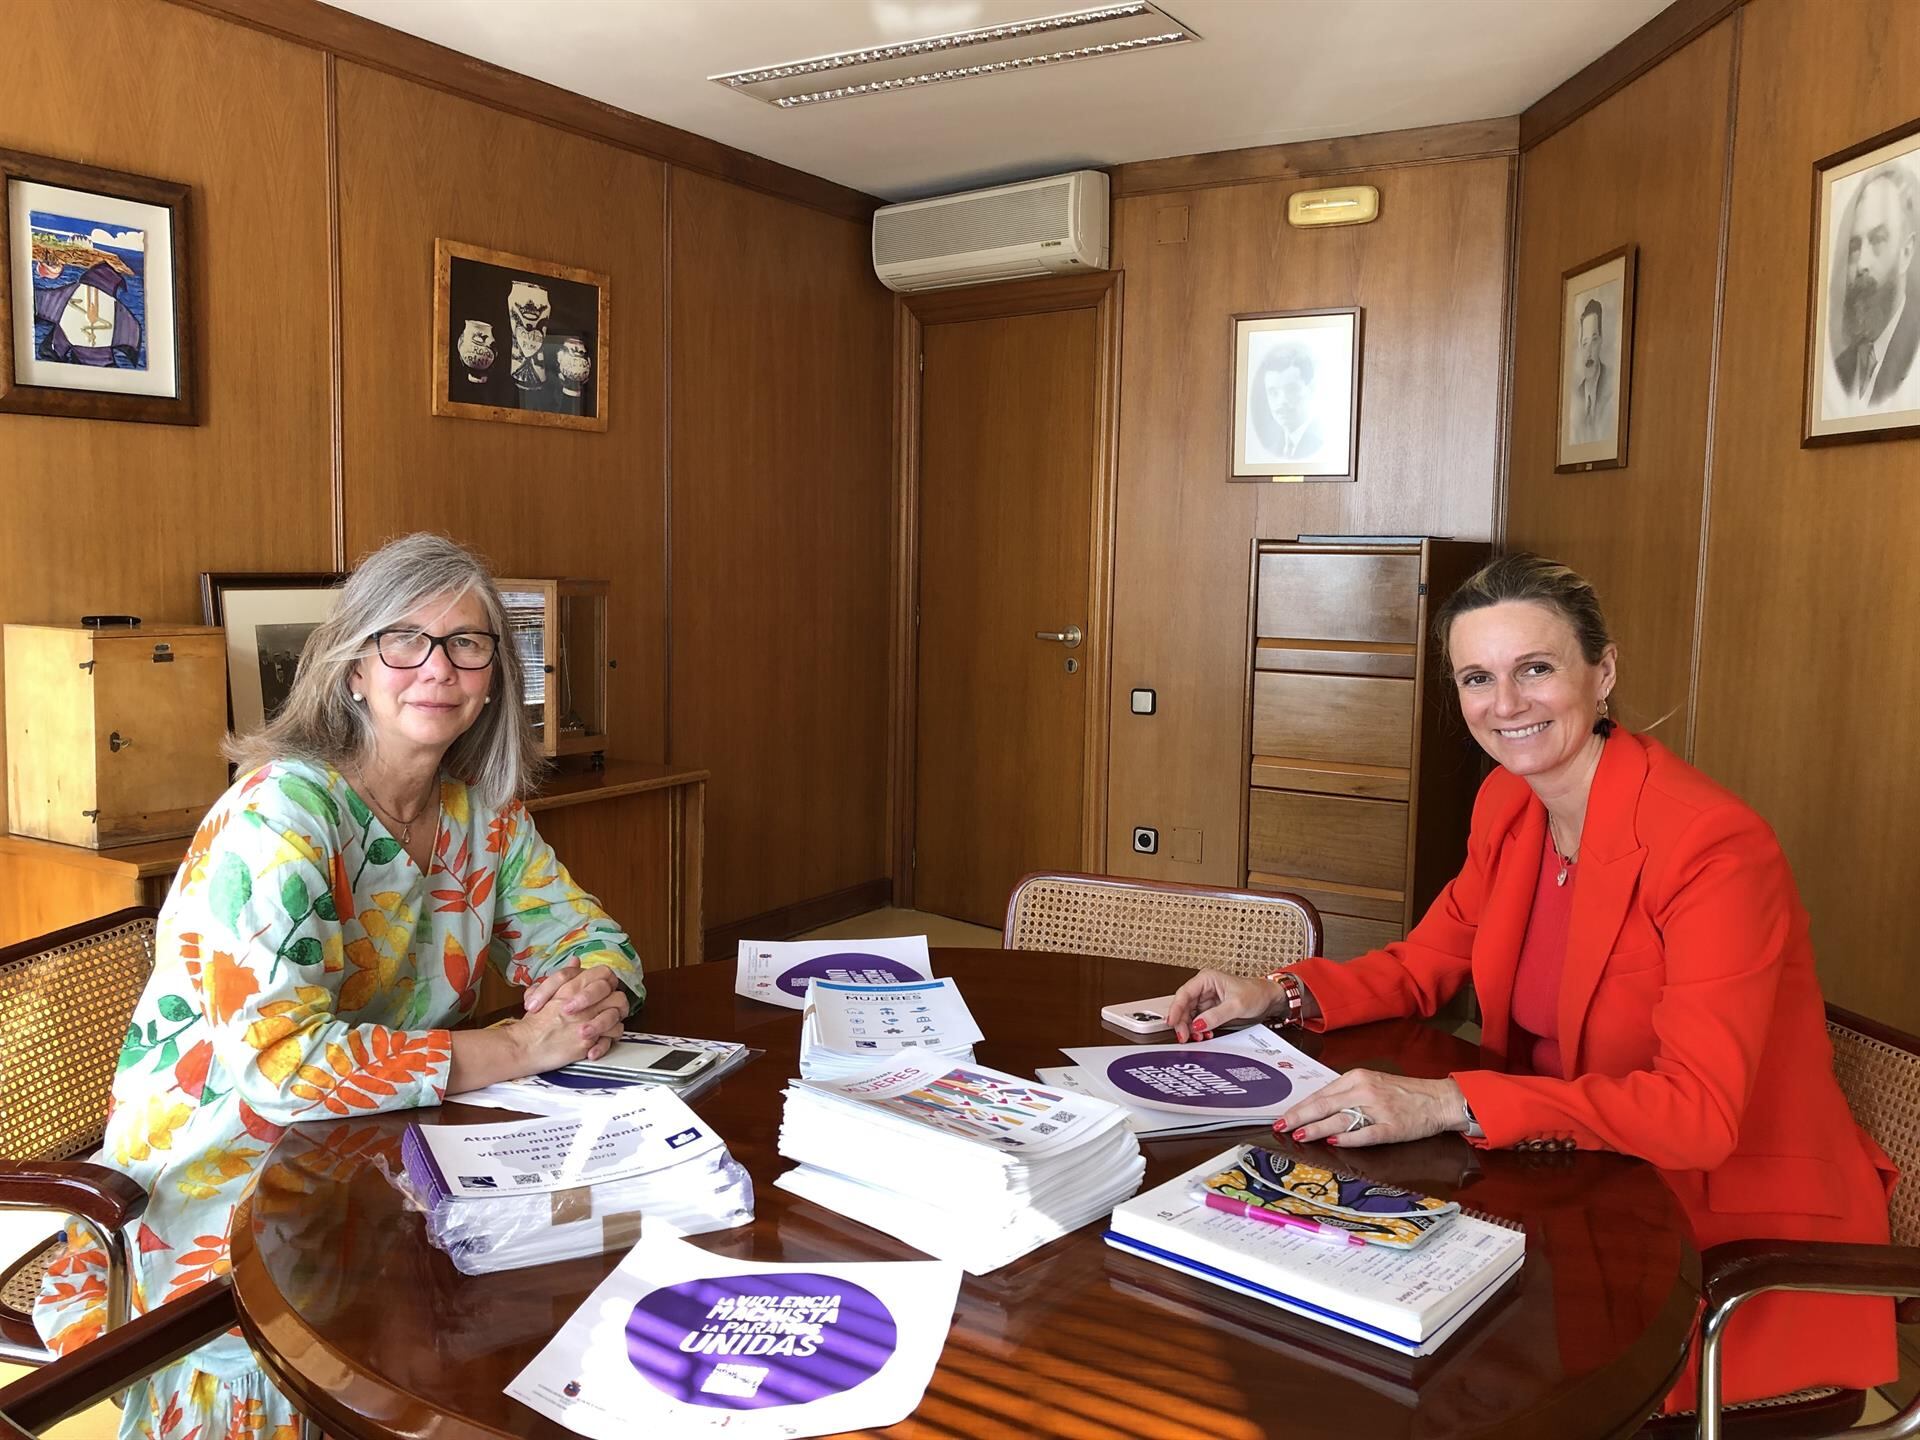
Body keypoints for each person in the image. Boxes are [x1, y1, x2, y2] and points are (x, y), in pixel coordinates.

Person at [1166, 553, 1896, 1413]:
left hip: (1711, 1227)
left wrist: (1447, 1102)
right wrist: (1274, 994)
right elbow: (1427, 962)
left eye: (1535, 669)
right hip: (1566, 1183)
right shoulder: (1510, 804)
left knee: (1430, 1379)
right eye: (1478, 678)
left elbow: (1695, 1116)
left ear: (1604, 672)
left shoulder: (1712, 848)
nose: (1505, 704)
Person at [34, 532, 645, 1440]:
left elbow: (592, 938)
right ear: (354, 668)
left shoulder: (482, 813)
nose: (436, 668)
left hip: (386, 1156)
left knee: (575, 1286)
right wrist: (517, 1044)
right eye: (405, 640)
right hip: (224, 1193)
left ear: (491, 680)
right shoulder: (281, 814)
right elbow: (283, 1068)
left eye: (467, 644)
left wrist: (594, 990)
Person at [1832, 164, 1919, 415]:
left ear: (1906, 252)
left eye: (1878, 240)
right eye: (1855, 246)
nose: (1861, 264)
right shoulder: (1842, 368)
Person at [1246, 341, 1324, 463]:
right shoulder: (1274, 448)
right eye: (1273, 392)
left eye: (1291, 390)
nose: (1281, 401)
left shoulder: (1322, 443)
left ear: (1311, 390)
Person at [1567, 296, 1614, 445]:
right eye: (1585, 343)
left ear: (1601, 340)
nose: (1589, 352)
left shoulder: (1612, 389)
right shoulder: (1576, 397)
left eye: (1594, 340)